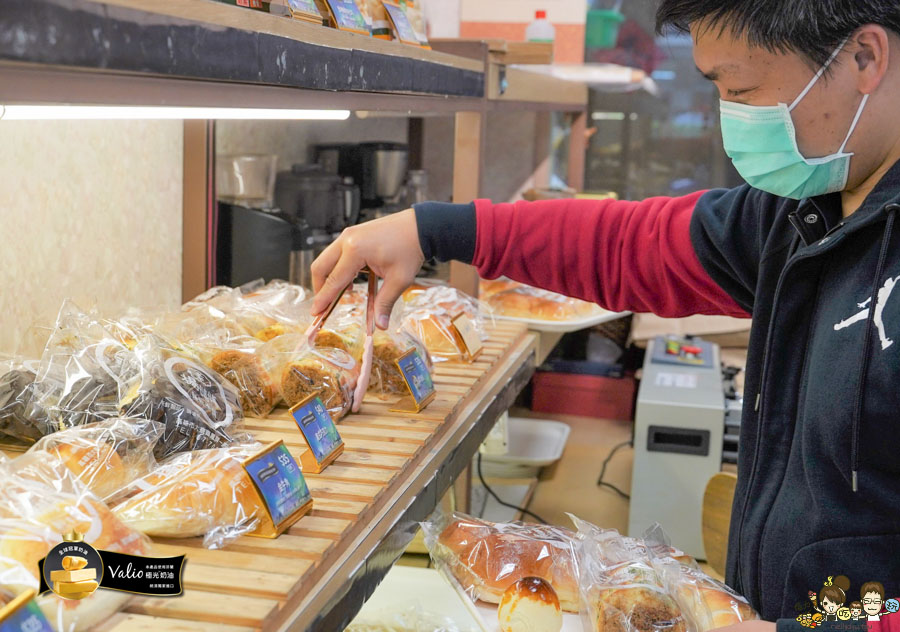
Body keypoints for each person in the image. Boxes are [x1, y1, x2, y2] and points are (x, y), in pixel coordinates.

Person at [309, 0, 900, 627]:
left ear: (864, 57)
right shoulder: (804, 208)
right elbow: (631, 246)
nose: (733, 118)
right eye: (720, 91)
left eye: (745, 89)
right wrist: (433, 229)